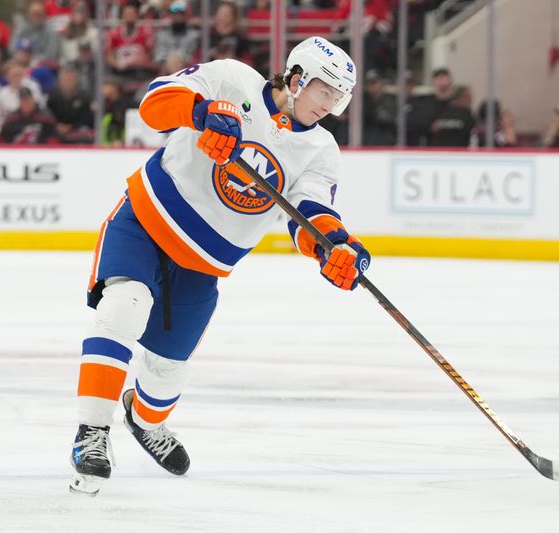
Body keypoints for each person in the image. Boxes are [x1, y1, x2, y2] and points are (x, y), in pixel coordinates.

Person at [68, 35, 371, 496]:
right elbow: (154, 102)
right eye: (324, 92)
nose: (329, 106)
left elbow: (310, 211)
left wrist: (334, 246)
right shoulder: (232, 80)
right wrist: (200, 112)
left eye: (338, 98)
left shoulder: (320, 149)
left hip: (203, 266)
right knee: (123, 305)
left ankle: (141, 418)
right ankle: (92, 432)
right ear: (296, 79)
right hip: (147, 223)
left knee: (167, 374)